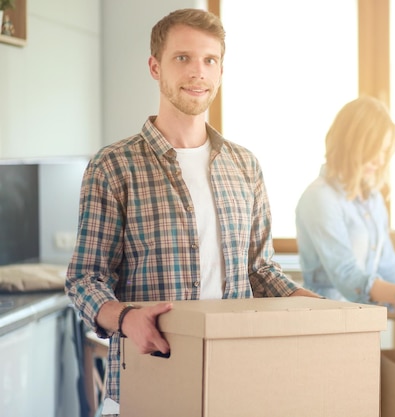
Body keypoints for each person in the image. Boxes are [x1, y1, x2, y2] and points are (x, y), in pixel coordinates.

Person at [65, 8, 319, 415]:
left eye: (210, 60)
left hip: (236, 378)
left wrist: (317, 307)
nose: (198, 72)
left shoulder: (245, 165)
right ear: (155, 67)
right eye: (182, 58)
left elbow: (260, 270)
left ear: (220, 71)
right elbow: (85, 280)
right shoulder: (114, 165)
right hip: (149, 377)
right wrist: (127, 318)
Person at [295, 96, 395, 356]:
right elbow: (348, 278)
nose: (380, 161)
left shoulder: (373, 200)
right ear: (352, 144)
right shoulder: (319, 198)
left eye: (385, 152)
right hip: (324, 329)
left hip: (363, 328)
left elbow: (389, 270)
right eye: (375, 150)